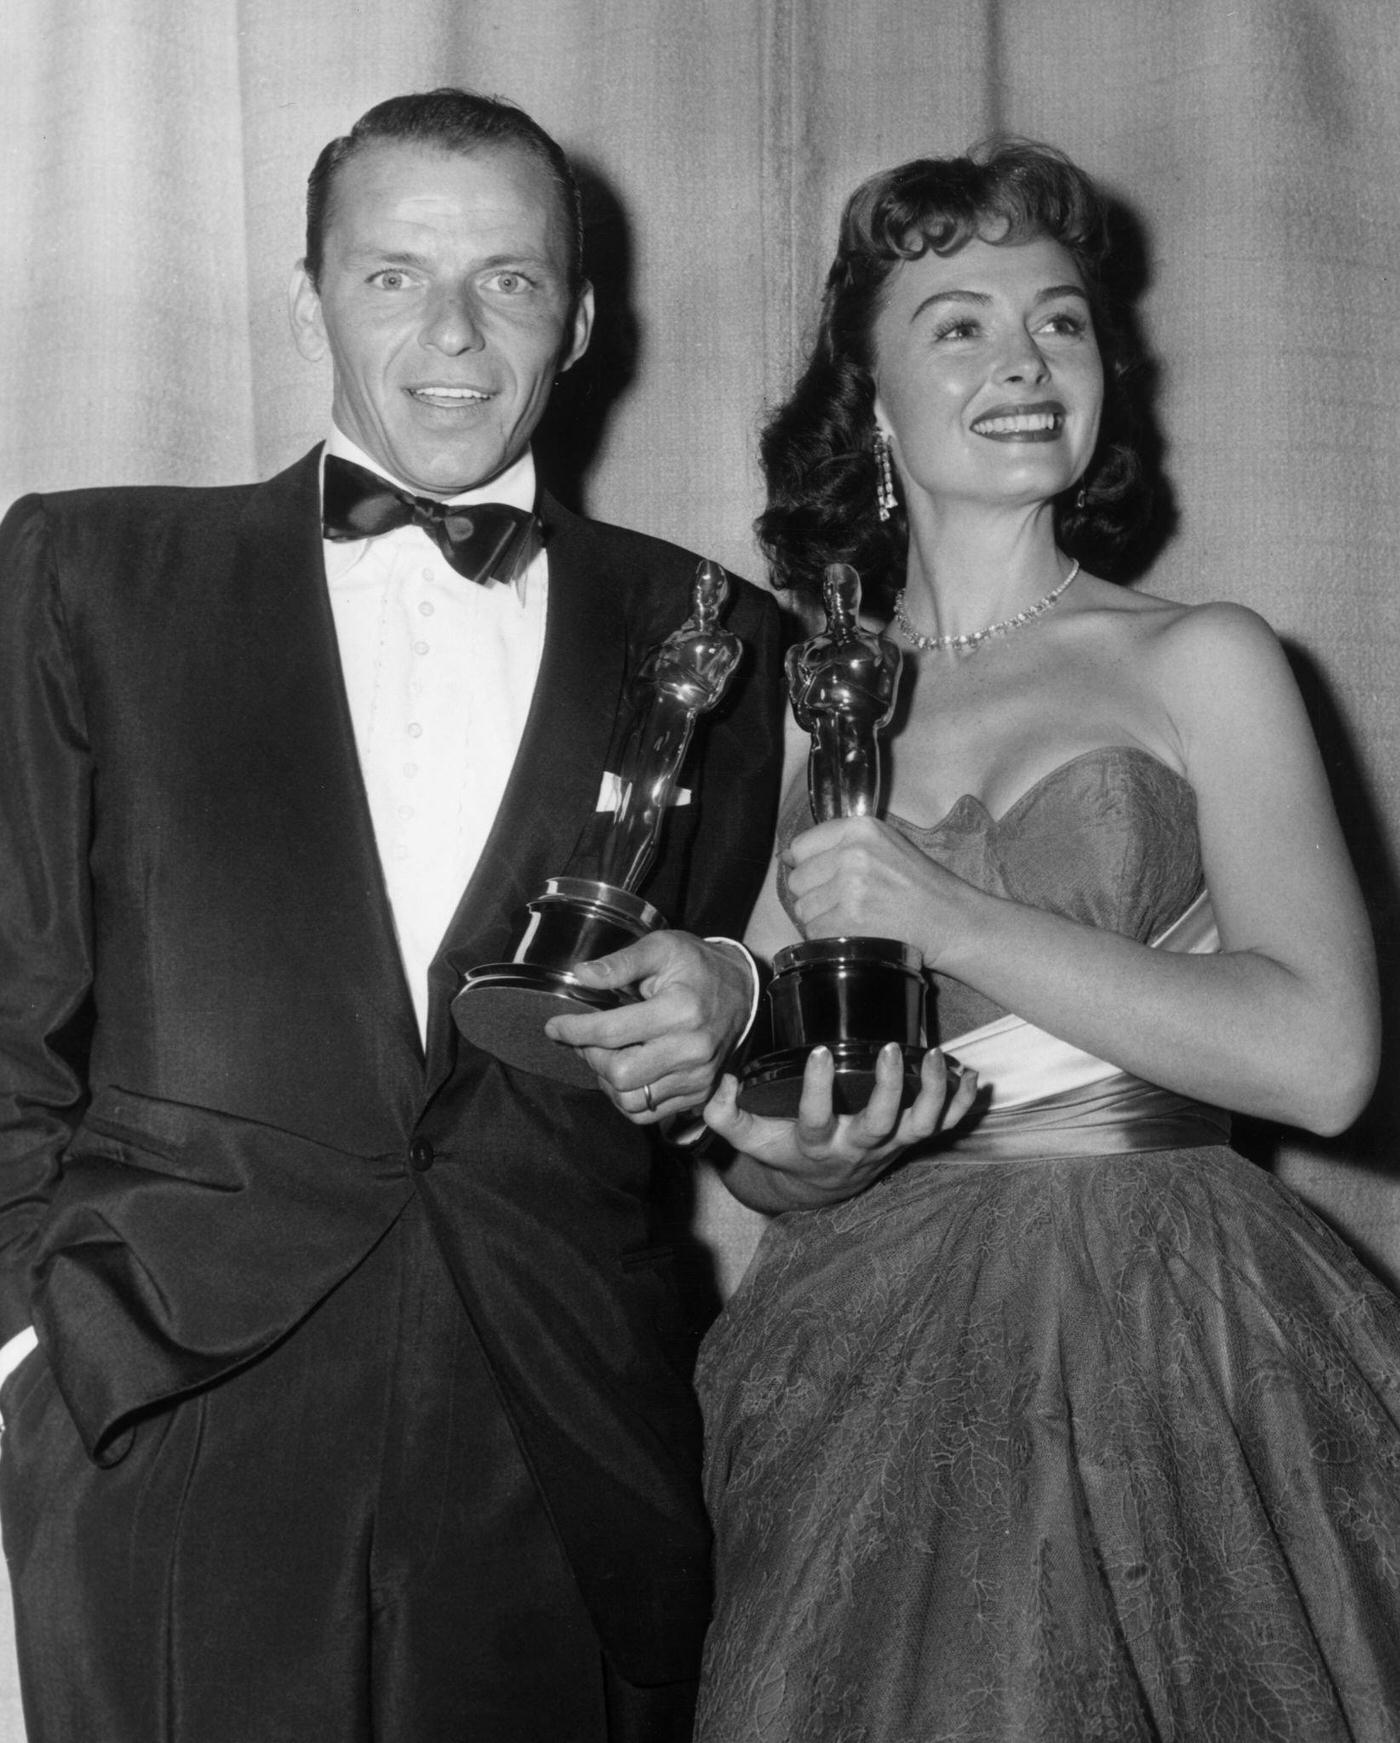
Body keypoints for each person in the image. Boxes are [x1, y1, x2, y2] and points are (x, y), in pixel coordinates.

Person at [0, 89, 785, 1742]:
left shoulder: (716, 631)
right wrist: (31, 1357)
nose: (453, 333)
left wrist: (732, 987)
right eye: (392, 277)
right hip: (166, 1392)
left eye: (508, 279)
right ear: (309, 303)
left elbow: (694, 1027)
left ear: (579, 319)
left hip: (560, 1417)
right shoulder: (87, 573)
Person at [694, 140, 1400, 1741]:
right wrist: (794, 1155)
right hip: (863, 1351)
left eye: (1060, 322)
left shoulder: (1203, 658)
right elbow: (768, 1148)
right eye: (959, 325)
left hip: (1172, 1333)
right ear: (871, 404)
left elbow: (1323, 1058)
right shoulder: (817, 712)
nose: (1023, 360)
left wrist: (952, 916)